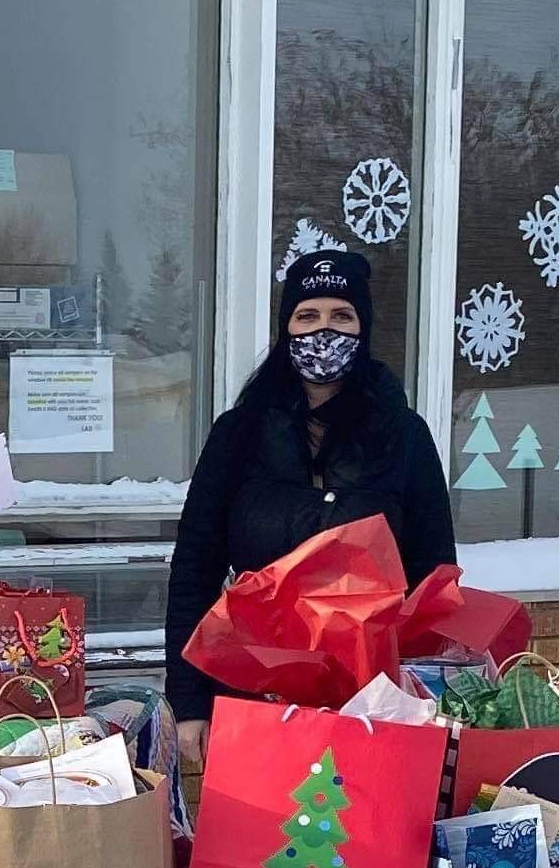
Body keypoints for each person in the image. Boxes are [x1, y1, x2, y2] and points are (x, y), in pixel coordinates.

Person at [160, 244, 457, 763]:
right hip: (252, 695)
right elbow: (194, 572)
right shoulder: (239, 435)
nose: (325, 330)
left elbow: (434, 578)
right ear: (286, 328)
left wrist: (429, 697)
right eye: (308, 315)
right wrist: (190, 703)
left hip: (372, 705)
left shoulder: (403, 437)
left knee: (363, 836)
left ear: (363, 329)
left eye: (343, 316)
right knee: (259, 839)